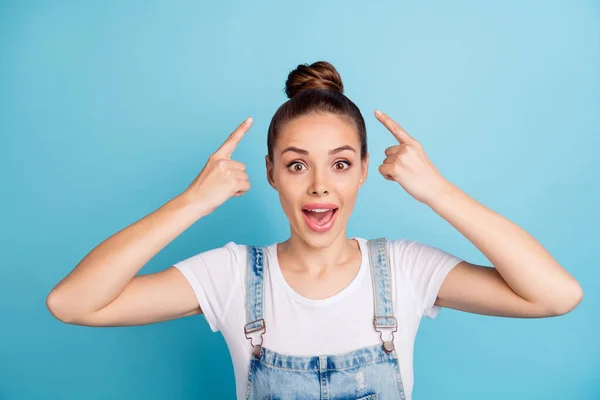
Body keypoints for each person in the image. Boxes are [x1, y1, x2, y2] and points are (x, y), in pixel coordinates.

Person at [46, 61, 584, 400]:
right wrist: (190, 204)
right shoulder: (232, 275)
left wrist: (438, 191)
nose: (320, 186)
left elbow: (557, 295)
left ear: (366, 171)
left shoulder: (404, 269)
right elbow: (73, 304)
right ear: (272, 173)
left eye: (342, 164)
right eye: (298, 165)